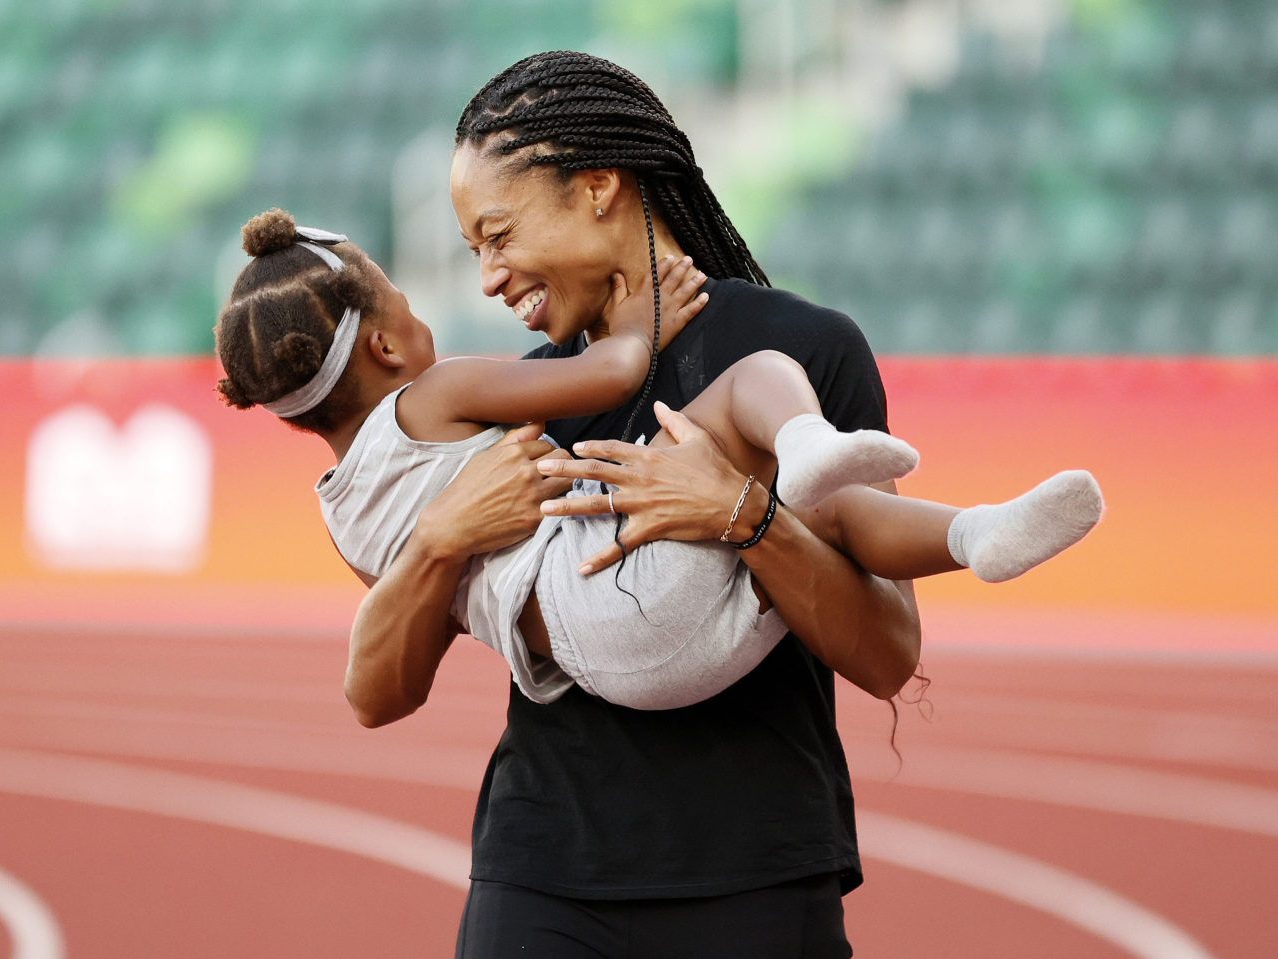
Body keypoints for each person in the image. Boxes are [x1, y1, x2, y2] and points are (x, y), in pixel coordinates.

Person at [339, 51, 1085, 957]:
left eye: (498, 234)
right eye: (473, 253)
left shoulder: (804, 348)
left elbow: (889, 652)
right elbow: (376, 694)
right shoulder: (519, 398)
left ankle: (970, 531)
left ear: (599, 186)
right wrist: (439, 541)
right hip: (542, 874)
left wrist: (745, 516)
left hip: (756, 876)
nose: (489, 278)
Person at [214, 208, 1101, 711]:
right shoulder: (434, 394)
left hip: (606, 666)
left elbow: (400, 643)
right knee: (760, 388)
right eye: (405, 298)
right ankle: (816, 444)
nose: (479, 279)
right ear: (385, 347)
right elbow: (617, 367)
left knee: (803, 511)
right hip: (612, 577)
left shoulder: (342, 511)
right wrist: (649, 318)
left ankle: (976, 533)